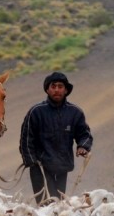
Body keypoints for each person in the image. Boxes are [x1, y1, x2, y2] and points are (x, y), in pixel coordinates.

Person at [19, 71, 93, 204]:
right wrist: (32, 161)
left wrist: (82, 146)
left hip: (62, 167)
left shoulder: (75, 113)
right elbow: (26, 139)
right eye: (53, 86)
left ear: (66, 90)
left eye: (60, 86)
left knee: (59, 204)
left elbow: (84, 134)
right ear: (47, 89)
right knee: (46, 205)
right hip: (40, 168)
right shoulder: (36, 112)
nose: (57, 90)